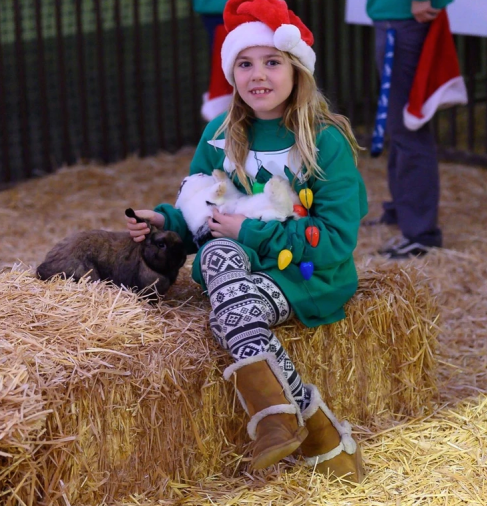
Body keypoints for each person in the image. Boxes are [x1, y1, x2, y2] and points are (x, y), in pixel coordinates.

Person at [127, 0, 367, 482]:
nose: (258, 74)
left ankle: (291, 423)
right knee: (220, 261)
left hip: (305, 277)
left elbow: (336, 239)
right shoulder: (220, 134)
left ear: (297, 69)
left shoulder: (325, 142)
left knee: (227, 312)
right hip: (238, 268)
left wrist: (250, 231)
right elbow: (204, 206)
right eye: (245, 63)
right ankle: (304, 422)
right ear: (231, 73)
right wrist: (167, 219)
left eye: (272, 61)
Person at [366, 0, 453, 259]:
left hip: (403, 17)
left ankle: (420, 235)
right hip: (398, 17)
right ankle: (403, 212)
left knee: (408, 129)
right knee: (400, 126)